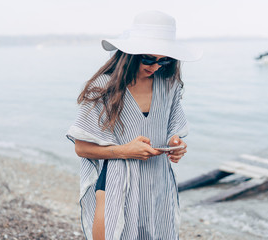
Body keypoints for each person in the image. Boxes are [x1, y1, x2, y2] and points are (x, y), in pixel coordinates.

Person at [67, 10, 202, 240]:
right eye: (148, 59)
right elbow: (81, 148)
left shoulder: (168, 86)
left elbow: (172, 131)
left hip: (158, 180)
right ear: (130, 54)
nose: (156, 66)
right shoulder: (103, 88)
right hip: (115, 180)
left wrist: (175, 144)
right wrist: (125, 151)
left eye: (164, 60)